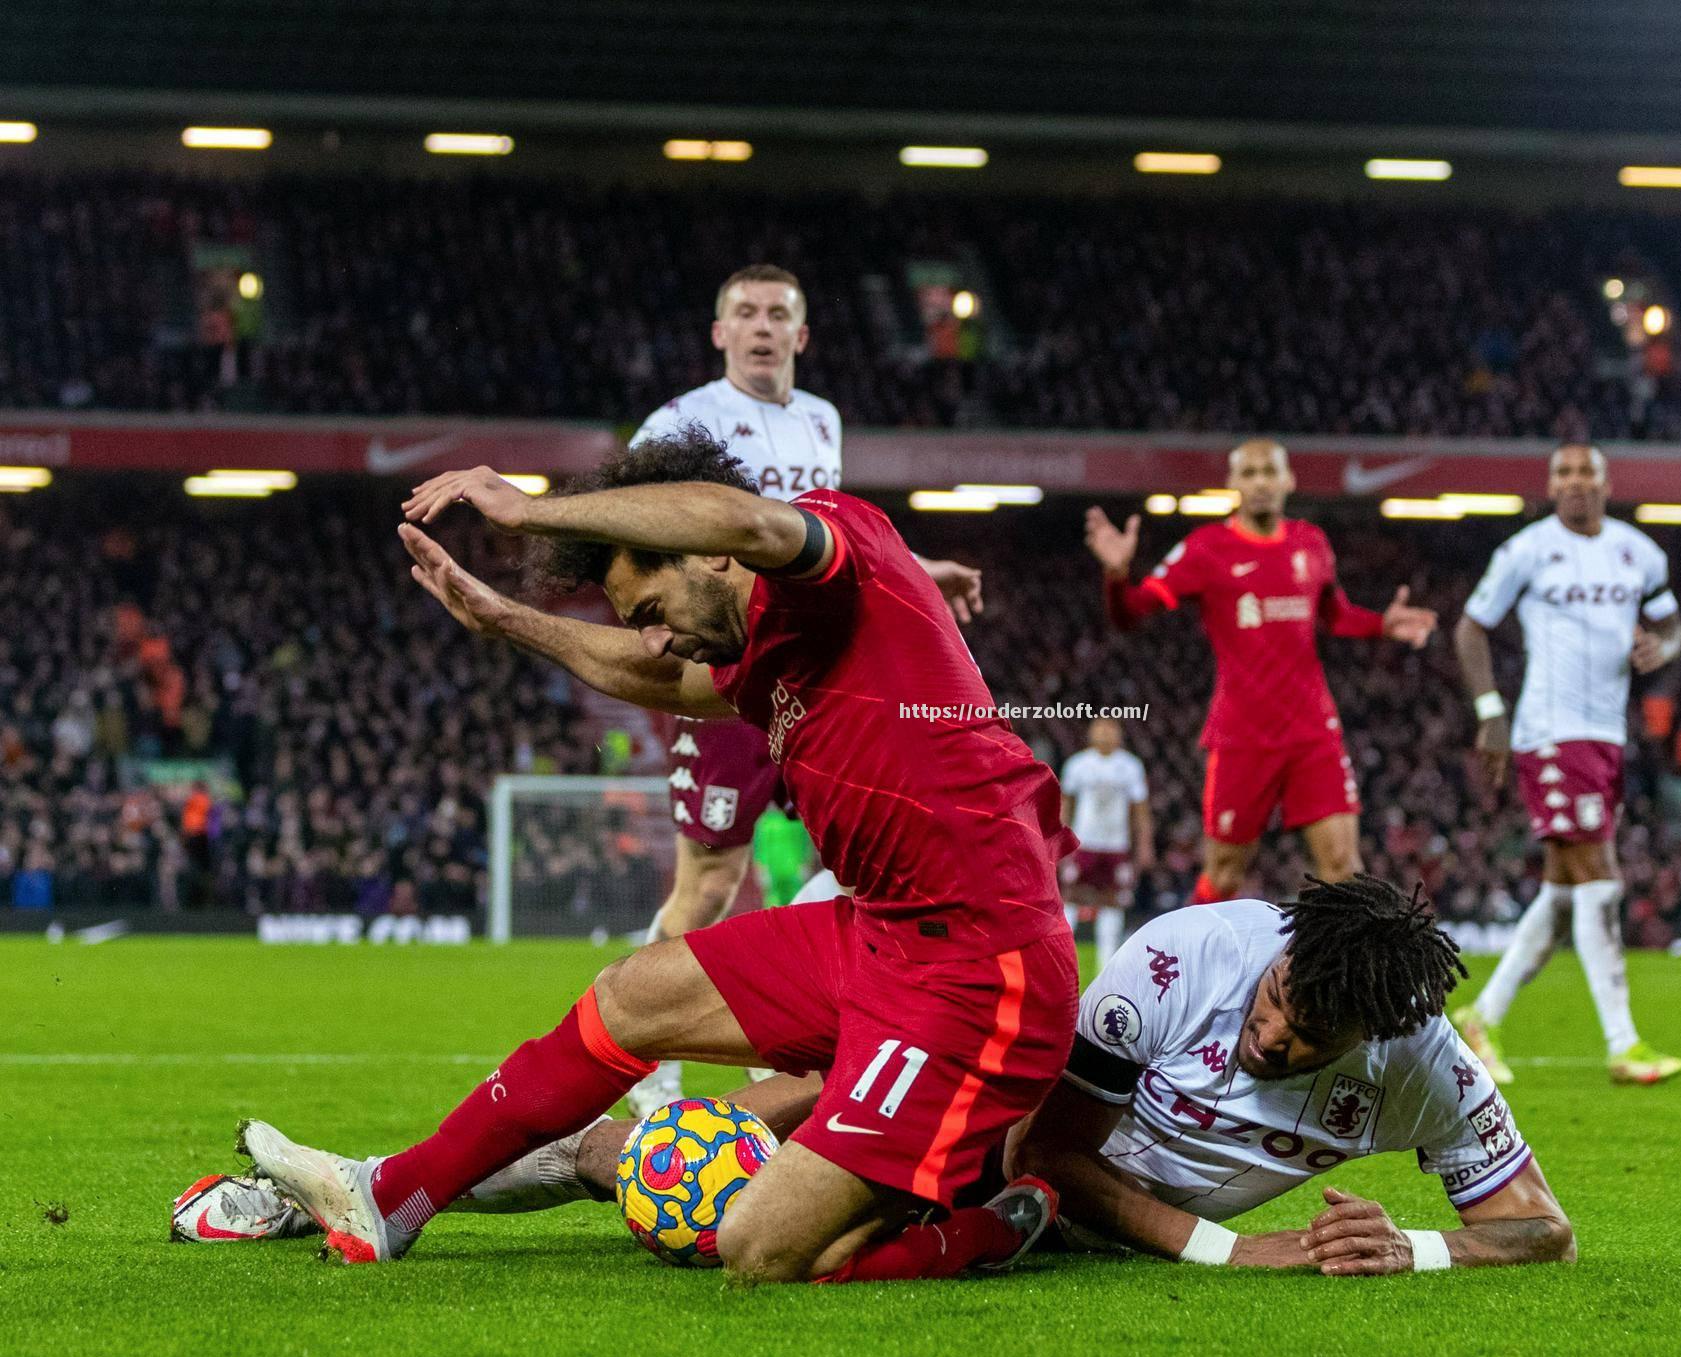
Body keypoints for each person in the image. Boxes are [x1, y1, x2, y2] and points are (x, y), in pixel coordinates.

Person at [235, 428, 1079, 1283]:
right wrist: (506, 618)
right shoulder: (757, 648)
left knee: (761, 1250)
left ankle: (979, 1224)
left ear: (706, 556)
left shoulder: (837, 544)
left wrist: (528, 512)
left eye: (649, 611)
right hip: (882, 936)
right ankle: (389, 1197)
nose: (651, 638)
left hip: (982, 967)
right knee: (630, 994)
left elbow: (741, 520)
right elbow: (666, 683)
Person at [188, 877, 1574, 1281]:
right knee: (673, 1164)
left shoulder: (1421, 1066)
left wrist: (1419, 1249)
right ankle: (379, 1189)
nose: (1272, 1039)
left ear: (1373, 1047)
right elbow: (1054, 1151)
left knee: (683, 1158)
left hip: (1023, 1197)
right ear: (1273, 956)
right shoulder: (1187, 959)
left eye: (1305, 1043)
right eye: (1276, 1006)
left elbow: (1541, 1230)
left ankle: (376, 1192)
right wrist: (1231, 1250)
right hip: (1005, 1142)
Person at [625, 263, 983, 1115]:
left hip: (821, 672)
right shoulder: (680, 421)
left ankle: (791, 1043)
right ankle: (647, 1061)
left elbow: (825, 542)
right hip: (730, 668)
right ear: (718, 333)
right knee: (710, 886)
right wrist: (648, 608)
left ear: (802, 332)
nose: (760, 326)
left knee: (858, 869)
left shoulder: (821, 419)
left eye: (776, 314)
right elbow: (630, 518)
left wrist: (921, 571)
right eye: (743, 312)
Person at [1084, 439, 1436, 905]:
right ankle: (1199, 974)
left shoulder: (1310, 543)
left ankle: (1337, 979)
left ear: (1288, 479)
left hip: (1313, 731)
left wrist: (1381, 625)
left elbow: (1336, 615)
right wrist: (1116, 577)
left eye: (1269, 472)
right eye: (1248, 473)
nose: (1260, 483)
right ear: (1232, 483)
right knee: (1224, 875)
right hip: (1242, 735)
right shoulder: (1207, 550)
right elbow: (1130, 613)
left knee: (1343, 868)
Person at [1450, 443, 1681, 1086]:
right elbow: (1470, 628)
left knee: (1562, 892)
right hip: (1552, 732)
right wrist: (1491, 710)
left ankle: (1481, 1019)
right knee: (1598, 877)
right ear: (1551, 486)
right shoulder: (1527, 550)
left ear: (1607, 483)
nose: (1576, 482)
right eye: (1564, 474)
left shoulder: (1640, 553)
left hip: (1606, 733)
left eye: (1587, 472)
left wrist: (1658, 647)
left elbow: (1673, 627)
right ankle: (1623, 1042)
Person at [1058, 716, 1153, 969]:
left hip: (1115, 845)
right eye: (1100, 728)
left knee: (1113, 900)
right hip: (1084, 842)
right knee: (1072, 896)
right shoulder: (1078, 764)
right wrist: (1059, 839)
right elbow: (1066, 805)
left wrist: (1144, 845)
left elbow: (1140, 810)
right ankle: (1062, 958)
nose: (1105, 733)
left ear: (1119, 734)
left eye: (1111, 729)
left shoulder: (1130, 766)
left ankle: (1107, 966)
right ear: (1091, 733)